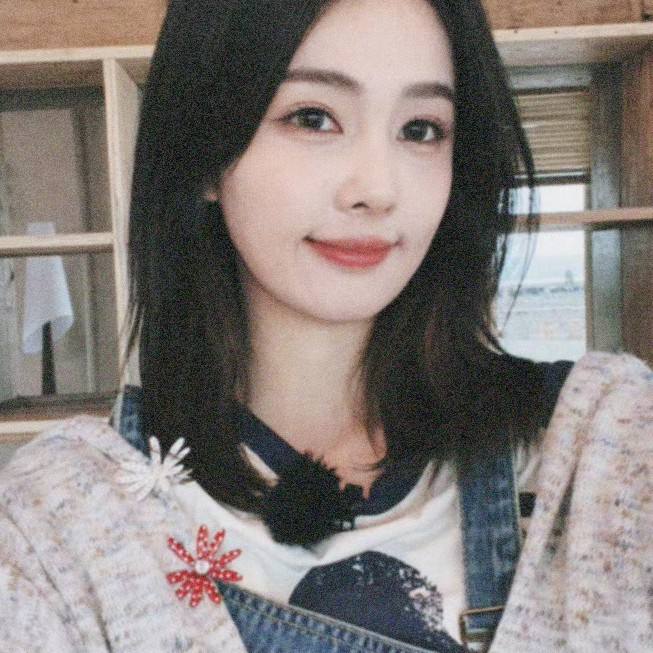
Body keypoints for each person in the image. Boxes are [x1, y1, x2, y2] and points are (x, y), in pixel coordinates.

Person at [1, 1, 651, 651]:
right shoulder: (58, 525)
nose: (377, 189)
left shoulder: (603, 444)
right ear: (204, 155)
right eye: (313, 118)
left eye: (421, 129)